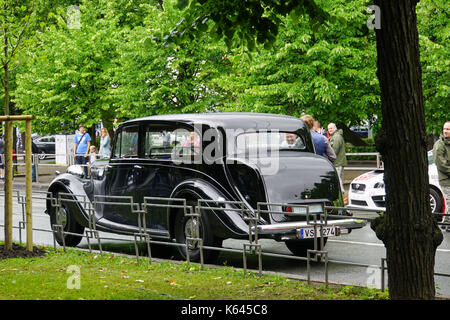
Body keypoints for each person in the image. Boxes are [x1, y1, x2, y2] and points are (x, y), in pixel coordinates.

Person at [432, 121, 450, 232]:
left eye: (448, 129)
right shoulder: (439, 145)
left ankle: (445, 224)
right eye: (445, 129)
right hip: (446, 180)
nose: (445, 131)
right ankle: (446, 225)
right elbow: (441, 164)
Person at [328, 122, 347, 192]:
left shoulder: (336, 137)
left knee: (338, 180)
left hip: (337, 163)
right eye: (328, 129)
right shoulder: (335, 136)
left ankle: (341, 194)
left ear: (335, 128)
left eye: (331, 128)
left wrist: (328, 158)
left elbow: (334, 151)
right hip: (338, 162)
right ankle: (341, 194)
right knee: (339, 180)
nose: (330, 130)